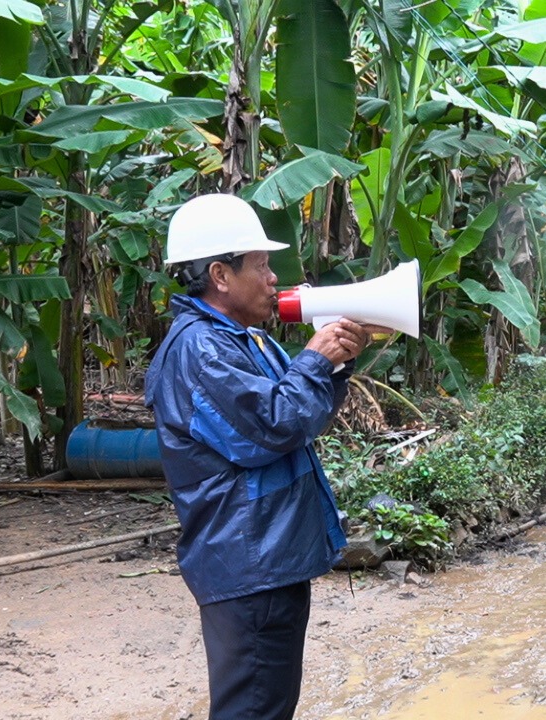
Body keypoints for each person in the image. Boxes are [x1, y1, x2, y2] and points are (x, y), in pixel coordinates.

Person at [144, 193, 372, 719]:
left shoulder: (245, 340)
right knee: (253, 709)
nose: (275, 279)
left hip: (266, 557)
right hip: (249, 560)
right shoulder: (201, 349)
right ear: (220, 276)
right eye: (262, 266)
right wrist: (315, 360)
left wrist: (334, 368)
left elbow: (300, 420)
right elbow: (271, 427)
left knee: (265, 704)